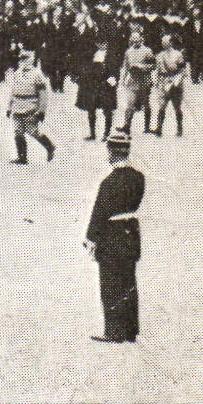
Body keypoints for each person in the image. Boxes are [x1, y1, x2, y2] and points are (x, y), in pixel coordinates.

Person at [84, 130, 144, 343]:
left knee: (110, 283)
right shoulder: (138, 177)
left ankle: (113, 330)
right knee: (128, 281)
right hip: (131, 233)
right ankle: (130, 329)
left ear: (111, 151)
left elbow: (100, 212)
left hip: (112, 236)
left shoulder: (109, 182)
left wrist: (90, 238)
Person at [7, 48, 56, 165]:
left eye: (25, 59)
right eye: (21, 59)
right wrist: (9, 107)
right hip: (17, 107)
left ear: (32, 60)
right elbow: (12, 92)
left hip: (30, 107)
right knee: (18, 132)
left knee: (33, 132)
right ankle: (22, 157)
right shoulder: (17, 73)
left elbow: (43, 95)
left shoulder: (37, 75)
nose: (23, 61)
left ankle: (49, 146)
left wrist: (41, 110)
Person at [74, 38, 118, 141]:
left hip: (105, 85)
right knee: (91, 108)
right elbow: (86, 68)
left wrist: (112, 81)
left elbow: (115, 70)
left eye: (105, 43)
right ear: (97, 44)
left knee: (107, 109)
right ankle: (92, 134)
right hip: (93, 85)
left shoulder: (112, 55)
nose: (103, 45)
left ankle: (106, 133)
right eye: (100, 43)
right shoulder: (92, 54)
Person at [116, 27, 156, 137]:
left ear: (141, 39)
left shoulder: (147, 51)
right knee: (130, 104)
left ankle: (147, 127)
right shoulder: (128, 52)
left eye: (137, 39)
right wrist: (122, 80)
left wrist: (142, 67)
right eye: (133, 39)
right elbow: (125, 66)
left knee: (146, 104)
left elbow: (153, 65)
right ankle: (126, 126)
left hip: (144, 81)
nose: (135, 41)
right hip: (133, 81)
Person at [151, 33, 187, 137]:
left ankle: (179, 127)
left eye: (166, 42)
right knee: (161, 106)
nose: (164, 44)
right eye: (163, 42)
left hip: (175, 82)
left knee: (177, 107)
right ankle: (159, 128)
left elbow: (182, 70)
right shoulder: (159, 56)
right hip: (163, 82)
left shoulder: (178, 55)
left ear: (171, 43)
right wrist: (157, 82)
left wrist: (177, 81)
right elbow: (157, 71)